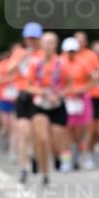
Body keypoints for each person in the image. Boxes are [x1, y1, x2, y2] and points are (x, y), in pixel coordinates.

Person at [26, 31, 70, 185]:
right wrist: (42, 93)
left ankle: (57, 157)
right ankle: (45, 174)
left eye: (51, 42)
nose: (49, 45)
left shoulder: (62, 63)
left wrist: (59, 94)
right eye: (46, 42)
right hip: (40, 105)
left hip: (57, 105)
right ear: (41, 44)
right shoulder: (35, 63)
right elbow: (28, 86)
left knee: (57, 142)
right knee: (42, 139)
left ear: (56, 45)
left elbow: (69, 84)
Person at [5, 22, 44, 183]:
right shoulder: (19, 52)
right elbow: (9, 70)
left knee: (37, 135)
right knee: (23, 133)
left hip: (38, 97)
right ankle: (23, 168)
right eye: (29, 38)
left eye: (34, 38)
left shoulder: (43, 54)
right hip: (23, 96)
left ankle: (35, 155)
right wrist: (23, 57)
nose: (32, 41)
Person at [61, 37, 98, 170]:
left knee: (79, 132)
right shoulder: (60, 62)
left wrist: (82, 89)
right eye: (68, 51)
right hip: (66, 100)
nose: (71, 54)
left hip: (81, 100)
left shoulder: (84, 62)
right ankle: (66, 160)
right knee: (65, 131)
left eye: (73, 51)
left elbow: (95, 79)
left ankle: (78, 154)